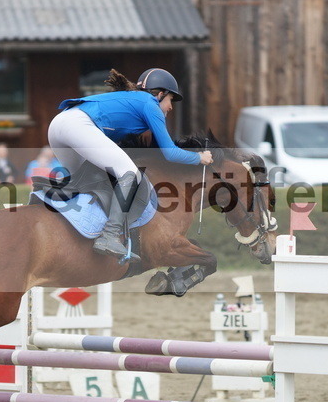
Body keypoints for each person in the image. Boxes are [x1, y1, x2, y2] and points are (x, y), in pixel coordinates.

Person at [48, 68, 213, 261]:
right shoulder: (150, 104)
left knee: (85, 181)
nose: (171, 107)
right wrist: (199, 158)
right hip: (77, 126)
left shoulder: (135, 101)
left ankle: (66, 231)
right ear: (160, 94)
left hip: (57, 126)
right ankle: (109, 235)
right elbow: (169, 153)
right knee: (131, 175)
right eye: (170, 100)